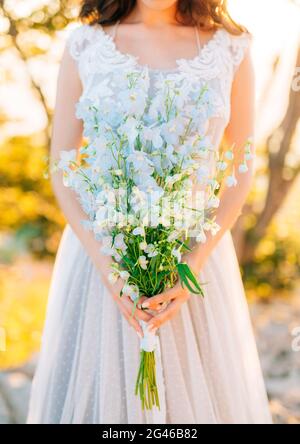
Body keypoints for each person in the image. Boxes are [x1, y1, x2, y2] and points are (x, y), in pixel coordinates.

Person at [27, 0, 272, 424]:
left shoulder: (232, 47)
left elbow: (242, 166)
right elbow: (62, 168)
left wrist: (190, 264)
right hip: (102, 262)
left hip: (194, 265)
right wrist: (109, 269)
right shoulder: (85, 44)